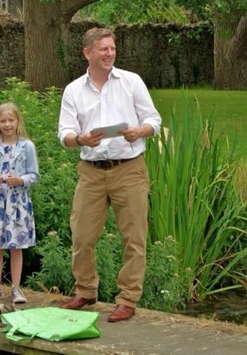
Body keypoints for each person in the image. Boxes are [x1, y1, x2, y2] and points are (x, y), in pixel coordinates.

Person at [57, 27, 162, 322]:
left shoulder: (131, 82)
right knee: (81, 235)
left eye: (112, 48)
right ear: (87, 53)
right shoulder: (74, 90)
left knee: (134, 236)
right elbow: (64, 133)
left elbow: (153, 119)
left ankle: (127, 298)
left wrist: (138, 131)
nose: (110, 53)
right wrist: (79, 139)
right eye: (103, 49)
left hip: (128, 168)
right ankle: (86, 290)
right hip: (91, 171)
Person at [0, 102, 40, 304]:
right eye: (3, 121)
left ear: (17, 121)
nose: (7, 124)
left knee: (16, 246)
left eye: (11, 120)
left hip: (18, 203)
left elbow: (34, 174)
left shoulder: (27, 146)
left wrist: (20, 180)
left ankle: (16, 288)